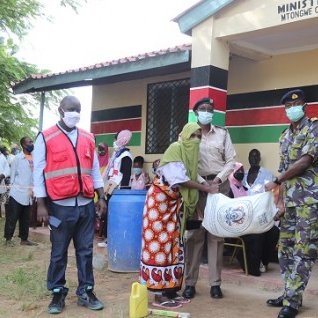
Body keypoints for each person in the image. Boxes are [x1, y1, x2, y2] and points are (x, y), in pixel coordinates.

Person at [33, 96, 107, 314]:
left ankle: (86, 291)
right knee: (58, 252)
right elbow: (38, 173)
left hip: (85, 204)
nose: (74, 113)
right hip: (58, 206)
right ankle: (57, 292)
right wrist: (41, 204)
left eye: (78, 109)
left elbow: (94, 170)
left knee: (85, 251)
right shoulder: (45, 137)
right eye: (70, 109)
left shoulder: (87, 137)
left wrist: (101, 197)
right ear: (60, 110)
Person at [263, 89, 318, 318]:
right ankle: (289, 292)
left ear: (305, 106)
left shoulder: (316, 129)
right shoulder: (284, 135)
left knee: (303, 249)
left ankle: (292, 301)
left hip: (310, 199)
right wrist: (280, 203)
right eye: (289, 106)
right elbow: (283, 169)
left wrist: (277, 180)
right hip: (290, 201)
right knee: (285, 250)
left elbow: (305, 161)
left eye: (298, 104)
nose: (293, 108)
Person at [140, 123, 218, 309]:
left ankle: (171, 290)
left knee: (174, 246)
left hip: (173, 205)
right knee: (159, 246)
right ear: (182, 136)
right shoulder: (176, 148)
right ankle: (158, 295)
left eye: (199, 136)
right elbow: (180, 179)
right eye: (193, 136)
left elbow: (191, 175)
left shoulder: (190, 155)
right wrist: (206, 188)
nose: (196, 140)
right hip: (159, 205)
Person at [182, 97, 236, 300]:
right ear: (196, 113)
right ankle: (190, 283)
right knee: (194, 237)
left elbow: (231, 160)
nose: (207, 112)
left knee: (216, 237)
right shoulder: (188, 134)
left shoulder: (222, 133)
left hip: (220, 187)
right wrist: (202, 184)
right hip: (197, 189)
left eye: (210, 110)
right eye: (203, 109)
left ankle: (215, 284)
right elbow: (185, 162)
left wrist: (218, 181)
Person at [230, 162, 280, 277]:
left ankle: (263, 261)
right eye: (238, 171)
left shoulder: (244, 188)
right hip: (237, 223)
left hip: (251, 220)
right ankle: (252, 266)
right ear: (232, 173)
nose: (241, 174)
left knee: (274, 231)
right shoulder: (230, 188)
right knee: (258, 234)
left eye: (242, 171)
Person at [98, 130, 133, 247]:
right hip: (110, 189)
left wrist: (122, 193)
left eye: (115, 139)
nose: (114, 142)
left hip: (118, 191)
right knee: (109, 214)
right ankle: (108, 238)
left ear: (121, 140)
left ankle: (114, 239)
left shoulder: (126, 156)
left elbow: (126, 177)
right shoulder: (116, 155)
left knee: (115, 215)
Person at [4, 136, 37, 246]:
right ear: (23, 145)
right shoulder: (17, 158)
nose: (32, 144)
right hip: (17, 191)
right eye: (30, 142)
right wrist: (11, 190)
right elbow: (12, 174)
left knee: (26, 217)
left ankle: (24, 239)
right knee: (13, 216)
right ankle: (8, 238)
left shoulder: (35, 157)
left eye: (32, 142)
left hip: (29, 192)